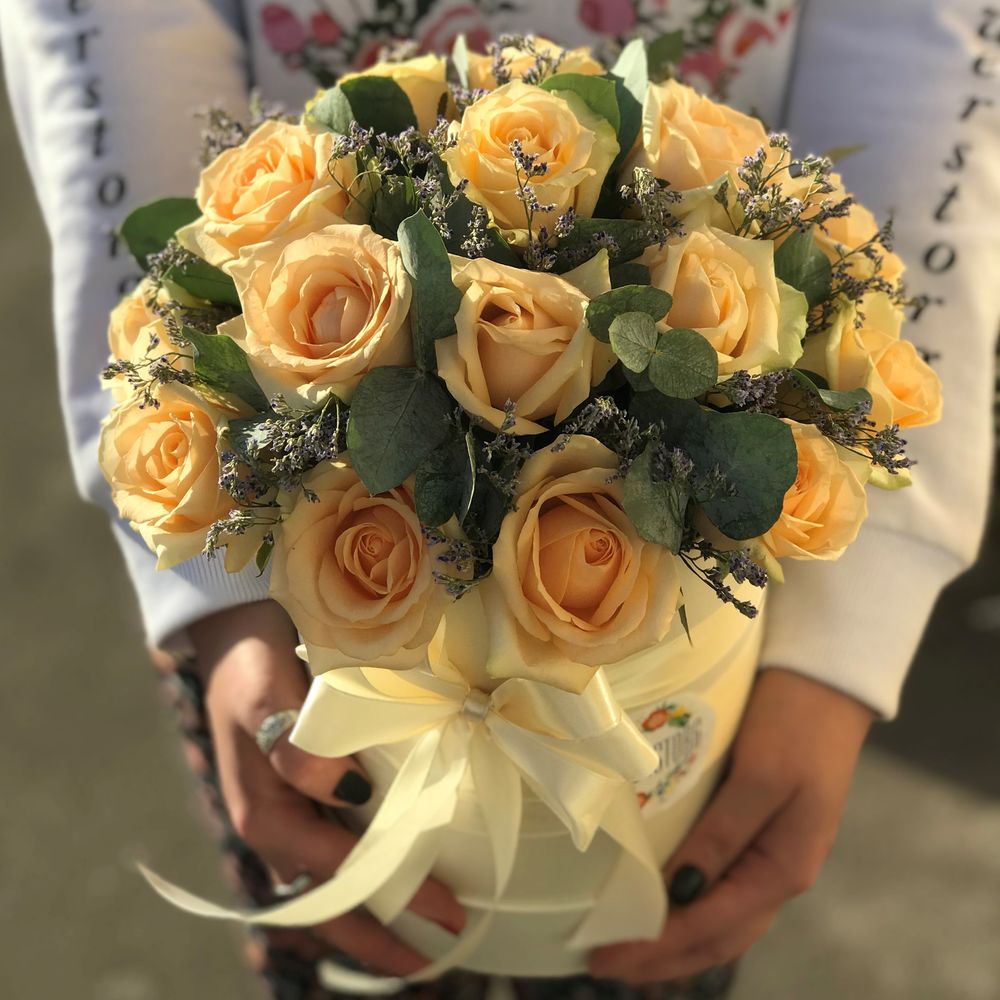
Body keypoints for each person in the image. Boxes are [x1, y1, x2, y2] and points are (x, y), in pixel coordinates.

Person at [2, 1, 997, 997]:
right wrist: (223, 597)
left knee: (648, 931)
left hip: (708, 518)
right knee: (341, 914)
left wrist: (846, 636)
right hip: (287, 559)